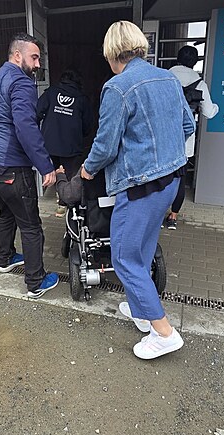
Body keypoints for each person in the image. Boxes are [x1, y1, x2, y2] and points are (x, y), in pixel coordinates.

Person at [80, 20, 195, 361]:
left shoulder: (117, 87)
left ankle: (164, 333)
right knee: (142, 250)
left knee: (124, 257)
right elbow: (187, 125)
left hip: (140, 186)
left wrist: (88, 168)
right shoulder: (168, 79)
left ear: (112, 53)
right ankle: (141, 309)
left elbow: (105, 145)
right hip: (170, 181)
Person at [0, 33, 59, 299]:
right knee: (31, 225)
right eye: (34, 58)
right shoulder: (21, 82)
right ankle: (35, 281)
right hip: (8, 166)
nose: (37, 65)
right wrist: (45, 166)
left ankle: (5, 258)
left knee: (7, 212)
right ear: (17, 55)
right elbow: (25, 127)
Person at [164, 45, 219, 230]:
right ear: (195, 62)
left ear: (177, 58)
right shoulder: (200, 84)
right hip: (185, 141)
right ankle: (173, 217)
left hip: (163, 136)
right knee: (180, 178)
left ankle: (156, 214)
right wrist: (216, 107)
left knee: (160, 176)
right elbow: (209, 112)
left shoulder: (165, 77)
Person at [37, 68, 93, 216]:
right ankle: (63, 204)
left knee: (54, 170)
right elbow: (88, 124)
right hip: (71, 145)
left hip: (50, 143)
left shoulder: (51, 92)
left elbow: (37, 112)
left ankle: (59, 197)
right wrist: (81, 135)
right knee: (68, 174)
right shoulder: (82, 98)